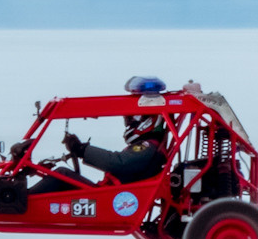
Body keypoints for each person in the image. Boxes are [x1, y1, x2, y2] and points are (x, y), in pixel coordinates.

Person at [27, 78, 171, 194]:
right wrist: (79, 150)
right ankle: (22, 198)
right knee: (61, 176)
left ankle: (22, 201)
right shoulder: (150, 146)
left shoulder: (147, 147)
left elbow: (118, 162)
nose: (129, 124)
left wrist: (83, 149)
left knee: (62, 174)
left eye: (132, 119)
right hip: (109, 193)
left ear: (148, 121)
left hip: (109, 197)